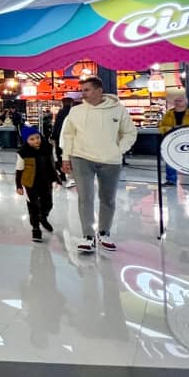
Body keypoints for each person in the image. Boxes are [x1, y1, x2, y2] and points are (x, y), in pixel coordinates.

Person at [59, 76, 137, 254]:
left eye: (87, 90)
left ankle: (104, 233)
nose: (83, 94)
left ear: (99, 90)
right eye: (82, 90)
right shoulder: (76, 111)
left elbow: (130, 132)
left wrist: (119, 150)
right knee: (85, 198)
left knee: (107, 198)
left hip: (110, 160)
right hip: (81, 158)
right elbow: (68, 135)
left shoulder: (118, 109)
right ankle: (87, 236)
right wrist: (65, 158)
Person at [15, 126, 60, 242]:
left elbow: (53, 163)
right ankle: (35, 228)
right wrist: (18, 185)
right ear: (26, 140)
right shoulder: (23, 152)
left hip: (46, 181)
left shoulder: (47, 148)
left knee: (48, 203)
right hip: (30, 183)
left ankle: (43, 217)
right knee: (33, 206)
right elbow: (19, 170)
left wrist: (57, 177)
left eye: (37, 137)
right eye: (32, 139)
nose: (36, 141)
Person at [159, 95, 189, 185]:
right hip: (173, 142)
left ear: (186, 102)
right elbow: (161, 127)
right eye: (176, 100)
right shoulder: (168, 115)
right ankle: (171, 180)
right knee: (170, 160)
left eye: (180, 100)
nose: (178, 102)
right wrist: (170, 128)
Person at [51, 97, 74, 186]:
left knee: (60, 156)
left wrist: (53, 137)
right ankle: (72, 175)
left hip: (60, 138)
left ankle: (62, 175)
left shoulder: (61, 112)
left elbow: (57, 125)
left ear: (63, 103)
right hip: (71, 139)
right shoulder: (73, 112)